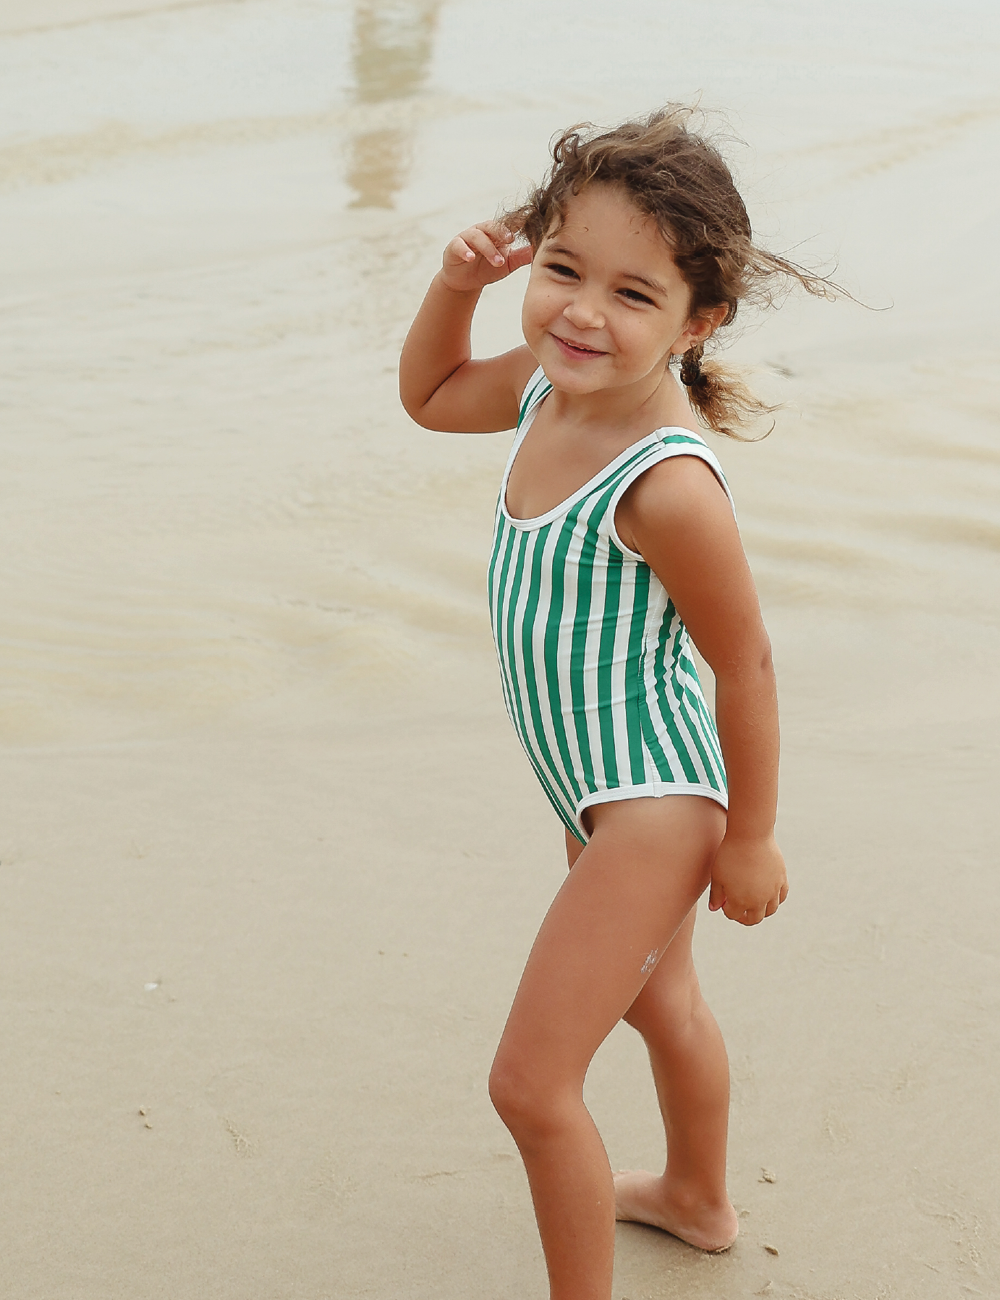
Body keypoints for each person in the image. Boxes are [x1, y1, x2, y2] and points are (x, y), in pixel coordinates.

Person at [399, 107, 830, 1300]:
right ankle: (696, 1197)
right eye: (561, 269)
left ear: (699, 323)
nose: (582, 312)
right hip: (595, 792)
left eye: (633, 295)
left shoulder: (667, 483)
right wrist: (453, 284)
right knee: (661, 996)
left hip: (653, 804)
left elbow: (742, 663)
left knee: (530, 1087)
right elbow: (430, 395)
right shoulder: (549, 392)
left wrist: (747, 834)